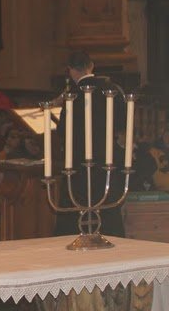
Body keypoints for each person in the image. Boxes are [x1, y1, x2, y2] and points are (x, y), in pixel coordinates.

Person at [54, 50, 127, 237]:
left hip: (77, 161)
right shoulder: (112, 89)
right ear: (91, 65)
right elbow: (123, 123)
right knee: (108, 207)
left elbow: (62, 131)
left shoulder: (71, 95)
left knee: (73, 208)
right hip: (106, 159)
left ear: (70, 70)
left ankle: (74, 238)